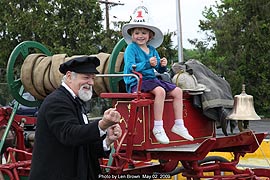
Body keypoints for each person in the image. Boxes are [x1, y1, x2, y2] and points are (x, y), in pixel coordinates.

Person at [29, 56, 122, 180]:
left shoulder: (75, 101)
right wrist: (102, 124)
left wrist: (107, 140)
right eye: (86, 77)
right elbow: (70, 135)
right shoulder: (56, 102)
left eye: (92, 78)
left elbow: (83, 145)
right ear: (68, 76)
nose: (91, 83)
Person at [122, 6, 193, 144]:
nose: (140, 35)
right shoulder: (131, 48)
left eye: (143, 32)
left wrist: (162, 65)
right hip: (136, 81)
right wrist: (148, 64)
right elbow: (131, 67)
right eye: (137, 32)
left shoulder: (153, 50)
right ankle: (158, 127)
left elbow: (160, 71)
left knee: (178, 91)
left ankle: (179, 125)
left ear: (150, 36)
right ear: (132, 35)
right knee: (160, 91)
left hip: (151, 80)